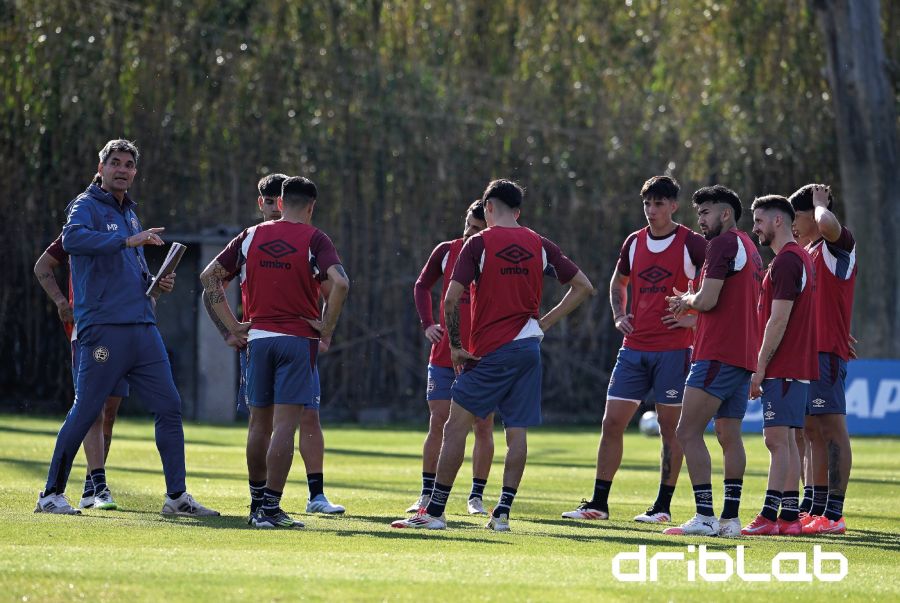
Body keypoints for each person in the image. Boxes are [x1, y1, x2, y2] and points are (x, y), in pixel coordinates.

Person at [391, 179, 593, 531]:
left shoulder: (478, 242)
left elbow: (450, 299)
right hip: (528, 349)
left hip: (491, 351)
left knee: (455, 426)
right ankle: (502, 513)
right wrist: (543, 323)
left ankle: (434, 512)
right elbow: (584, 287)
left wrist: (456, 346)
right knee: (516, 432)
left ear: (488, 208)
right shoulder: (539, 243)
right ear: (518, 211)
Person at [35, 139, 218, 516]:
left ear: (135, 172)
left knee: (169, 406)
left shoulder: (130, 213)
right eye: (115, 162)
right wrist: (126, 239)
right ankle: (51, 494)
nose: (122, 169)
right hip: (103, 328)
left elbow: (130, 267)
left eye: (129, 164)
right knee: (87, 409)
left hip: (143, 327)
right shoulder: (85, 205)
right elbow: (72, 240)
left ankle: (176, 497)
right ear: (100, 168)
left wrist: (155, 282)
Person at [201, 176, 350, 528]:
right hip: (297, 340)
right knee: (285, 426)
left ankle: (256, 505)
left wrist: (233, 324)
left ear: (280, 203)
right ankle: (270, 508)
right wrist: (326, 326)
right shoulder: (316, 238)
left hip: (258, 339)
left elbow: (209, 277)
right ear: (311, 207)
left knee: (258, 425)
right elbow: (341, 283)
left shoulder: (250, 236)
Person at [562, 176, 706, 524]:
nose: (651, 210)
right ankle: (598, 503)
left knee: (670, 429)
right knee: (611, 422)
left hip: (674, 351)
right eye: (647, 204)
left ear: (674, 206)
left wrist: (693, 321)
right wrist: (619, 314)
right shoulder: (633, 241)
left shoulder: (693, 243)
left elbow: (718, 290)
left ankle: (662, 507)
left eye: (659, 203)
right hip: (633, 349)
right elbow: (618, 281)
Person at [664, 185, 762, 537]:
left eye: (706, 212)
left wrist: (687, 301)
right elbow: (727, 303)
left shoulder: (722, 244)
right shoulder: (750, 246)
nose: (700, 220)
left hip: (718, 354)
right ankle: (730, 521)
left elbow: (707, 300)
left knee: (686, 432)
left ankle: (704, 516)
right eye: (699, 213)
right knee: (729, 435)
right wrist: (694, 303)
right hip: (743, 356)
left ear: (725, 213)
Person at [408, 200, 495, 515]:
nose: (470, 232)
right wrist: (428, 323)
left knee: (482, 426)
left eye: (478, 229)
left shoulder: (493, 255)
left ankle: (476, 497)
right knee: (439, 422)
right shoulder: (446, 251)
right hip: (444, 355)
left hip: (481, 355)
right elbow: (422, 285)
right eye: (468, 225)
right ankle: (426, 494)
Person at [740, 195, 818, 536]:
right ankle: (788, 517)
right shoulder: (798, 258)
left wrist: (759, 366)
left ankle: (770, 515)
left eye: (759, 220)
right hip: (793, 365)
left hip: (784, 364)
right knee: (785, 439)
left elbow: (779, 319)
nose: (755, 227)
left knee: (776, 440)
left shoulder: (787, 261)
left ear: (778, 221)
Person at [35, 224, 127, 510]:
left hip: (124, 330)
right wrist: (61, 301)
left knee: (109, 411)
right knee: (91, 409)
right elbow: (42, 266)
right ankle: (83, 488)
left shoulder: (127, 229)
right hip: (90, 332)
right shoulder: (78, 230)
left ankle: (91, 490)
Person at [790, 183, 856, 535]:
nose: (792, 224)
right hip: (805, 353)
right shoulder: (807, 253)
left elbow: (828, 224)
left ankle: (835, 513)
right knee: (811, 431)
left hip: (826, 353)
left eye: (796, 216)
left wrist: (819, 203)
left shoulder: (835, 245)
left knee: (831, 430)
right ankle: (815, 506)